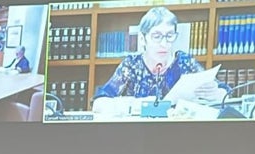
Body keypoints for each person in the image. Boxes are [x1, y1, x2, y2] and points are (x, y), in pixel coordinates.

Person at [93, 8, 224, 110]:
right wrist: (134, 104)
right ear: (143, 39)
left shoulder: (184, 61)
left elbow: (226, 93)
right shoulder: (132, 64)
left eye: (169, 35)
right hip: (138, 133)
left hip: (179, 133)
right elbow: (99, 103)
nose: (164, 43)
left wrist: (215, 93)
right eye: (157, 36)